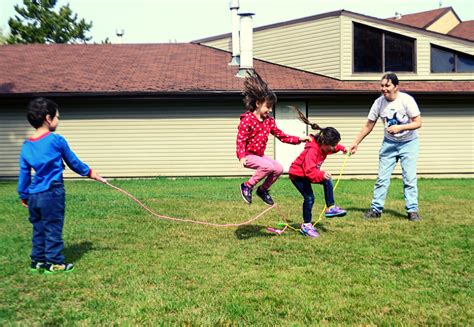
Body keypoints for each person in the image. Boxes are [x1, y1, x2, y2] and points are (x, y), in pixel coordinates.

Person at [18, 97, 106, 274]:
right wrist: (91, 173)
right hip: (52, 193)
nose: (58, 121)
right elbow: (73, 162)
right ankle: (55, 263)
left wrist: (24, 195)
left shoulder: (27, 146)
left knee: (39, 228)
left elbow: (24, 173)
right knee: (53, 228)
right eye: (57, 117)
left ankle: (38, 261)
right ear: (48, 118)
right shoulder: (56, 140)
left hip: (34, 195)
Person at [349, 72, 422, 221]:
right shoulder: (378, 103)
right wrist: (355, 143)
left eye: (387, 85)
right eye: (382, 86)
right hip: (389, 144)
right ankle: (376, 210)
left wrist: (399, 128)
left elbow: (418, 122)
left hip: (409, 143)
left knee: (409, 178)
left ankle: (412, 211)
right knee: (382, 178)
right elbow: (368, 125)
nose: (383, 88)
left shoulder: (406, 100)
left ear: (396, 86)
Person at [236, 70, 311, 205]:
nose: (270, 110)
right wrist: (241, 155)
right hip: (247, 155)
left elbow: (281, 136)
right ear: (258, 104)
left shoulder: (269, 121)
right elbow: (240, 140)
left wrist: (299, 139)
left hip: (259, 155)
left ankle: (263, 190)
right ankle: (247, 186)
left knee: (278, 168)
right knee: (268, 167)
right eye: (268, 107)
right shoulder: (247, 120)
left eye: (271, 107)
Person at [289, 108, 348, 238]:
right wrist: (321, 174)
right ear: (323, 143)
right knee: (309, 198)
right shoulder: (312, 151)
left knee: (327, 179)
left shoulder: (324, 146)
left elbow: (334, 148)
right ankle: (306, 226)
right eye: (332, 146)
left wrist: (343, 148)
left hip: (307, 173)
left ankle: (330, 207)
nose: (333, 148)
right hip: (298, 175)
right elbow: (309, 171)